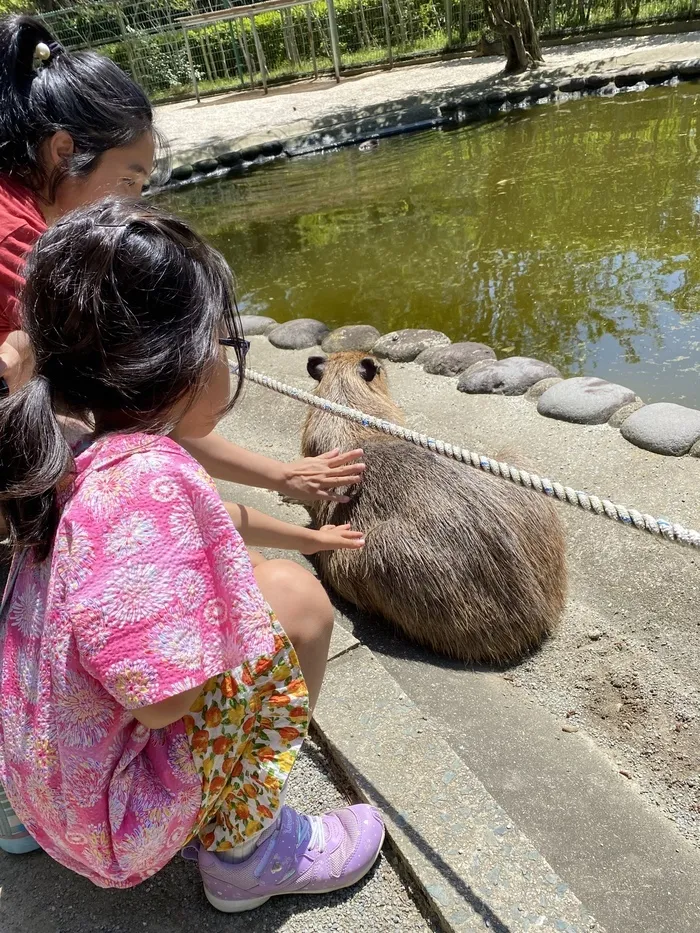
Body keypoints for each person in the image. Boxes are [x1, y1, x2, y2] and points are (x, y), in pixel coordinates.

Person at [0, 198, 384, 906]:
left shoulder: (62, 437)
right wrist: (221, 623)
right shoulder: (146, 477)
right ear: (176, 364)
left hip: (43, 787)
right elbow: (166, 701)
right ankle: (248, 849)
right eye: (220, 342)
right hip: (114, 825)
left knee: (266, 584)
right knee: (296, 603)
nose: (224, 359)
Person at [0, 13, 363, 504]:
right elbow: (147, 403)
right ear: (64, 150)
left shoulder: (30, 214)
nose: (132, 206)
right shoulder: (24, 245)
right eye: (129, 181)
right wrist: (283, 477)